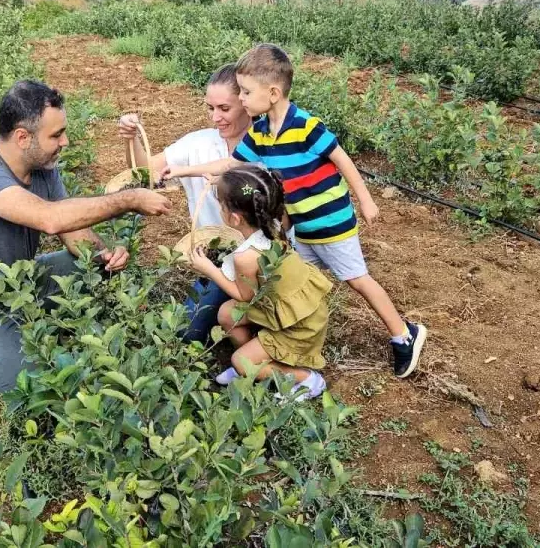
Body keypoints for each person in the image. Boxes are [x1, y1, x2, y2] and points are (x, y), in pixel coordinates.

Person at [164, 44, 429, 378]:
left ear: (273, 93)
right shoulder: (260, 133)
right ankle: (283, 345)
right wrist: (182, 171)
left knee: (358, 280)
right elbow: (231, 162)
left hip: (331, 223)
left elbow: (341, 158)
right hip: (300, 227)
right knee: (294, 284)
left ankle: (404, 334)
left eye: (246, 92)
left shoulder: (305, 125)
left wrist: (366, 199)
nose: (242, 98)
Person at [0, 80, 172, 394]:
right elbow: (51, 219)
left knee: (95, 265)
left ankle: (21, 329)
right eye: (56, 135)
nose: (65, 142)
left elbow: (72, 233)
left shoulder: (43, 167)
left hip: (20, 284)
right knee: (52, 386)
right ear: (22, 137)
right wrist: (129, 199)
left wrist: (104, 256)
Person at [116, 64, 254, 344]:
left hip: (258, 259)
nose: (216, 117)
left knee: (262, 316)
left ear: (246, 102)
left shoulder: (265, 146)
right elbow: (146, 175)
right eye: (210, 108)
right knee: (186, 332)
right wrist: (132, 141)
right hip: (217, 259)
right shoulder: (198, 144)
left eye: (224, 109)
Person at [187, 165, 331, 401]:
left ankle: (305, 379)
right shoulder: (272, 223)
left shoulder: (246, 256)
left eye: (221, 205)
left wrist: (209, 269)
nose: (220, 209)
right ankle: (256, 360)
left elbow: (243, 296)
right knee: (226, 314)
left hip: (297, 325)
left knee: (239, 360)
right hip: (294, 306)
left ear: (235, 218)